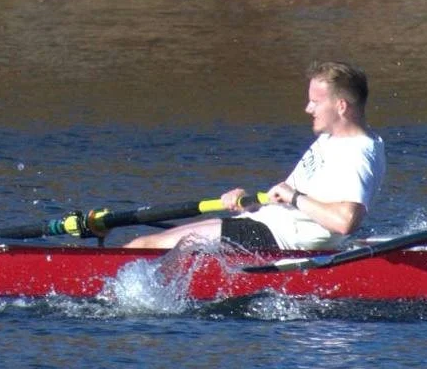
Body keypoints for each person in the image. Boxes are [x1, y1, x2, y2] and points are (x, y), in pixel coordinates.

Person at [125, 61, 386, 252]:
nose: (308, 108)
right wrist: (252, 204)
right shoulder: (333, 139)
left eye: (315, 102)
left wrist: (293, 196)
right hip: (265, 225)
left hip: (275, 238)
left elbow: (345, 222)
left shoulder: (356, 153)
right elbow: (303, 205)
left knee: (145, 246)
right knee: (147, 245)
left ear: (341, 106)